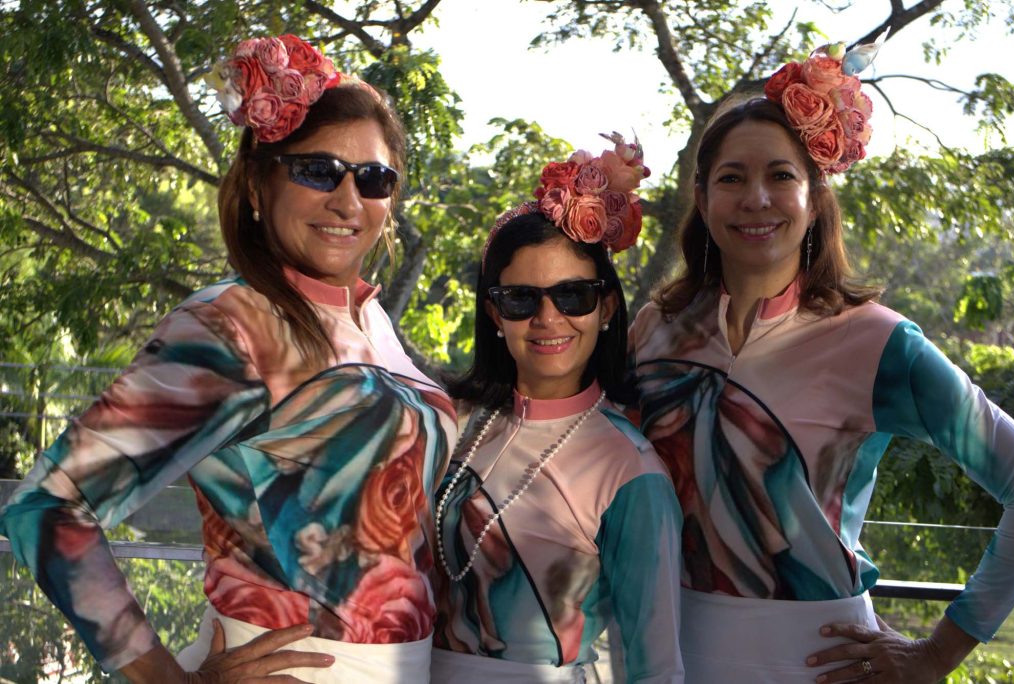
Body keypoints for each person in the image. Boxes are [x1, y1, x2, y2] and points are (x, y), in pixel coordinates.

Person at [0, 34, 456, 683]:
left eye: (374, 178)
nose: (348, 200)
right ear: (258, 183)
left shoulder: (370, 317)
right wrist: (165, 680)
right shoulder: (232, 324)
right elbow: (48, 507)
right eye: (317, 170)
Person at [629, 42, 1014, 683]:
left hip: (820, 662)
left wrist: (939, 652)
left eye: (781, 176)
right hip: (666, 653)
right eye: (732, 178)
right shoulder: (656, 330)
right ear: (701, 198)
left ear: (815, 196)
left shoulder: (877, 342)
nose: (756, 199)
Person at [431, 138, 686, 683]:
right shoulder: (444, 421)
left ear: (607, 308)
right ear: (494, 313)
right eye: (521, 299)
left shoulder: (630, 469)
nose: (548, 319)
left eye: (573, 296)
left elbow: (655, 665)